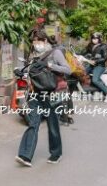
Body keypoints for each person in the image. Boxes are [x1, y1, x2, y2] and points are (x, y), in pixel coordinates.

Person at [16, 30, 72, 167]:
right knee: (33, 123)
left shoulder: (55, 53)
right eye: (34, 41)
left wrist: (49, 65)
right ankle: (25, 155)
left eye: (38, 41)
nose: (36, 44)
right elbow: (34, 74)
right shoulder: (34, 54)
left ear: (45, 41)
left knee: (53, 125)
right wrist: (22, 73)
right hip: (36, 93)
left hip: (52, 94)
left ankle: (56, 153)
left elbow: (68, 70)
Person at [83, 32, 107, 103]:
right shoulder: (91, 46)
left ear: (99, 39)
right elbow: (84, 52)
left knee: (95, 80)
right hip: (91, 65)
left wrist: (96, 61)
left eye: (96, 38)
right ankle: (93, 91)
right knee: (82, 73)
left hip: (100, 66)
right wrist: (75, 54)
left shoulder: (103, 46)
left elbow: (105, 58)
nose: (94, 40)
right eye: (93, 38)